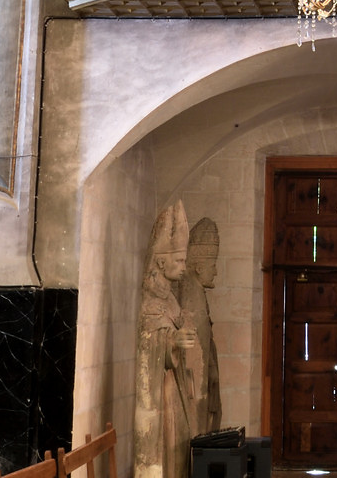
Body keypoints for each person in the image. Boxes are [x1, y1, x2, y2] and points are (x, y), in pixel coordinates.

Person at [136, 202, 197, 478]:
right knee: (168, 445)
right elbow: (148, 341)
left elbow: (175, 324)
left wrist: (183, 329)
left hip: (174, 386)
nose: (183, 267)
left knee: (179, 444)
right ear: (161, 262)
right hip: (162, 394)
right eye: (179, 261)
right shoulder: (150, 298)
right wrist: (172, 341)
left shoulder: (169, 296)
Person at [178, 218, 223, 438]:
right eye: (212, 266)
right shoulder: (190, 295)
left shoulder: (197, 293)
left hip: (203, 377)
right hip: (193, 382)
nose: (215, 272)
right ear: (198, 267)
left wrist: (211, 367)